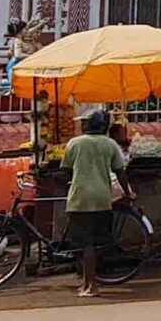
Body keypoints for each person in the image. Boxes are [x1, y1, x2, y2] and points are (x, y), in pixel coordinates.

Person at [62, 110, 126, 297]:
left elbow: (66, 170)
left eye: (84, 123)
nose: (82, 125)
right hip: (102, 197)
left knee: (85, 244)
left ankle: (92, 286)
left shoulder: (74, 143)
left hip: (80, 198)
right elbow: (120, 172)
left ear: (89, 125)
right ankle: (86, 283)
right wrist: (128, 193)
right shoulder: (110, 144)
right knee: (94, 243)